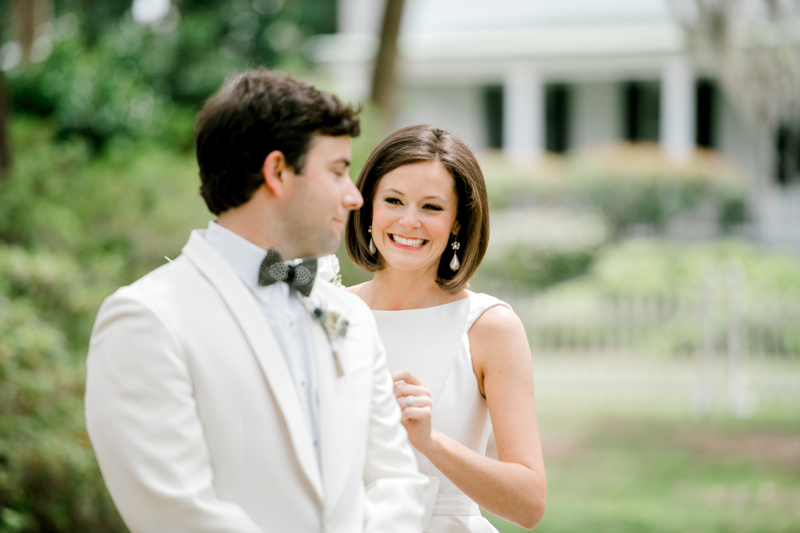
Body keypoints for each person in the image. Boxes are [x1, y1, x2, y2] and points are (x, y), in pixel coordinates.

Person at [84, 69, 428, 533]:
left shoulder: (348, 315)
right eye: (338, 171)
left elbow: (395, 479)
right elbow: (175, 510)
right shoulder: (146, 319)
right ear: (278, 172)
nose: (354, 196)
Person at [345, 124, 547, 532]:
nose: (409, 221)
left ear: (458, 222)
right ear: (368, 208)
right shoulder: (329, 312)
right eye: (394, 200)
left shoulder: (489, 326)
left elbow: (529, 504)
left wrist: (430, 441)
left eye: (432, 207)